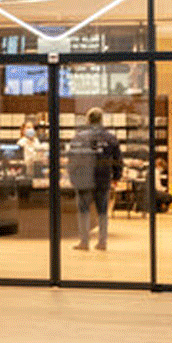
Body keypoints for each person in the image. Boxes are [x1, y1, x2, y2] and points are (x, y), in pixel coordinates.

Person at [67, 107, 122, 251]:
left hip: (83, 179)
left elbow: (72, 159)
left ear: (88, 120)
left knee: (83, 211)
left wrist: (72, 176)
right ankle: (102, 242)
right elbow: (117, 160)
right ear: (102, 119)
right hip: (103, 178)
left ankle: (84, 242)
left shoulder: (79, 137)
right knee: (102, 211)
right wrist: (116, 177)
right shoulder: (110, 138)